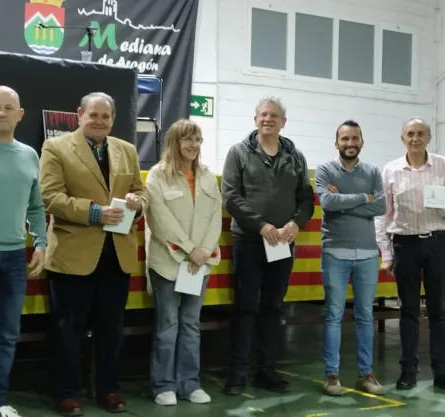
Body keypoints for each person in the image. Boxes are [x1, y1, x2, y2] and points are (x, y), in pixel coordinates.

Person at [39, 92, 148, 415]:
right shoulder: (55, 148)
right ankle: (66, 392)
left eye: (106, 116)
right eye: (93, 115)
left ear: (113, 119)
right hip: (73, 253)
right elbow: (50, 197)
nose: (100, 121)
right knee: (67, 329)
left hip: (117, 252)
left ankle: (109, 389)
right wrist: (95, 213)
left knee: (111, 329)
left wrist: (137, 202)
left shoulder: (127, 150)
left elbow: (141, 193)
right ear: (79, 115)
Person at [221, 97, 315, 395]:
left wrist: (295, 224)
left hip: (283, 243)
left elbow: (306, 198)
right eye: (263, 114)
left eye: (274, 116)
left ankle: (267, 372)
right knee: (246, 307)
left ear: (283, 122)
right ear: (255, 119)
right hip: (249, 241)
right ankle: (237, 374)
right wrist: (261, 225)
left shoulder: (296, 157)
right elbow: (231, 197)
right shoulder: (238, 153)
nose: (268, 119)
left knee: (273, 308)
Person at [0, 86, 47, 417]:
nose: (2, 112)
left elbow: (36, 206)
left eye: (8, 107)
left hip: (15, 258)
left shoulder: (30, 155)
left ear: (20, 114)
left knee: (5, 336)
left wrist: (41, 243)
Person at [374, 117, 445, 392]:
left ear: (429, 137)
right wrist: (386, 254)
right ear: (403, 138)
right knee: (408, 311)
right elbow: (382, 216)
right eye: (410, 134)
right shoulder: (390, 170)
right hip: (405, 245)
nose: (415, 138)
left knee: (438, 310)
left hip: (436, 242)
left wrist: (441, 202)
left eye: (420, 133)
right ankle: (408, 372)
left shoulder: (442, 165)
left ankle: (441, 372)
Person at [144, 119, 222, 406]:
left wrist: (203, 251)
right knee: (168, 325)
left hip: (199, 264)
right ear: (174, 142)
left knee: (191, 324)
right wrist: (190, 250)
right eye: (187, 139)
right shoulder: (157, 175)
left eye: (197, 140)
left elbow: (215, 216)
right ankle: (163, 384)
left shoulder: (206, 176)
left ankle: (189, 383)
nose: (193, 145)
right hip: (168, 263)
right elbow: (160, 221)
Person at [314, 120, 386, 396]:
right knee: (333, 315)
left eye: (355, 138)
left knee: (365, 316)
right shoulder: (325, 170)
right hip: (335, 252)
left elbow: (381, 205)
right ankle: (332, 376)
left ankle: (366, 374)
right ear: (337, 143)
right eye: (345, 139)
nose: (350, 143)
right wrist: (363, 198)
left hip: (368, 255)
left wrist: (345, 200)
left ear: (362, 142)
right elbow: (327, 203)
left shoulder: (372, 172)